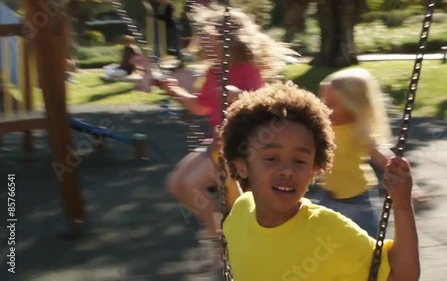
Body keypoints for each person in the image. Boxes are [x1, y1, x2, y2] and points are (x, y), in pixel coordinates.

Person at [219, 81, 420, 281]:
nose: (288, 171)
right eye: (272, 159)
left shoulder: (330, 235)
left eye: (300, 161)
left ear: (314, 170)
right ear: (241, 166)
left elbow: (401, 277)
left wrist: (402, 206)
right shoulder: (241, 210)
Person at [163, 3, 296, 245]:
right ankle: (220, 232)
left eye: (208, 39)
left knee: (195, 184)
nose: (202, 44)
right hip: (217, 141)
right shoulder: (215, 71)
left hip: (242, 144)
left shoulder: (248, 70)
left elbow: (261, 109)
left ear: (228, 41)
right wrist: (175, 91)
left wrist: (238, 95)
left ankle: (225, 238)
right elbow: (200, 106)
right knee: (177, 183)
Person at [316, 68, 430, 237]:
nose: (324, 107)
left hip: (356, 200)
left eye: (331, 104)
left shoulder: (358, 131)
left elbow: (383, 156)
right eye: (323, 101)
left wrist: (410, 188)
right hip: (327, 196)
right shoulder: (325, 126)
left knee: (363, 244)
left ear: (352, 105)